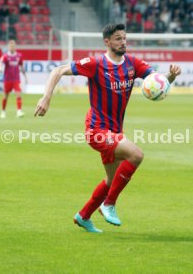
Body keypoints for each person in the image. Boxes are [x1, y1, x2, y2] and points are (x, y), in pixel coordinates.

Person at [34, 23, 181, 233]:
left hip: (114, 131)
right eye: (118, 39)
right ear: (107, 42)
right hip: (96, 130)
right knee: (136, 155)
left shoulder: (132, 64)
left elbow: (156, 80)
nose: (123, 42)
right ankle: (109, 204)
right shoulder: (95, 63)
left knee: (112, 180)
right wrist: (46, 97)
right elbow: (58, 70)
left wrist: (171, 76)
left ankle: (83, 216)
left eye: (124, 38)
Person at [0, 40, 27, 118]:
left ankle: (19, 111)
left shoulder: (19, 56)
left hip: (16, 79)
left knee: (18, 95)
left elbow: (22, 66)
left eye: (13, 46)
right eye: (10, 46)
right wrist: (0, 68)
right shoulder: (5, 56)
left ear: (15, 47)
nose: (12, 47)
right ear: (8, 47)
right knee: (5, 96)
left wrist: (25, 77)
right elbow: (1, 63)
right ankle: (3, 112)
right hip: (7, 79)